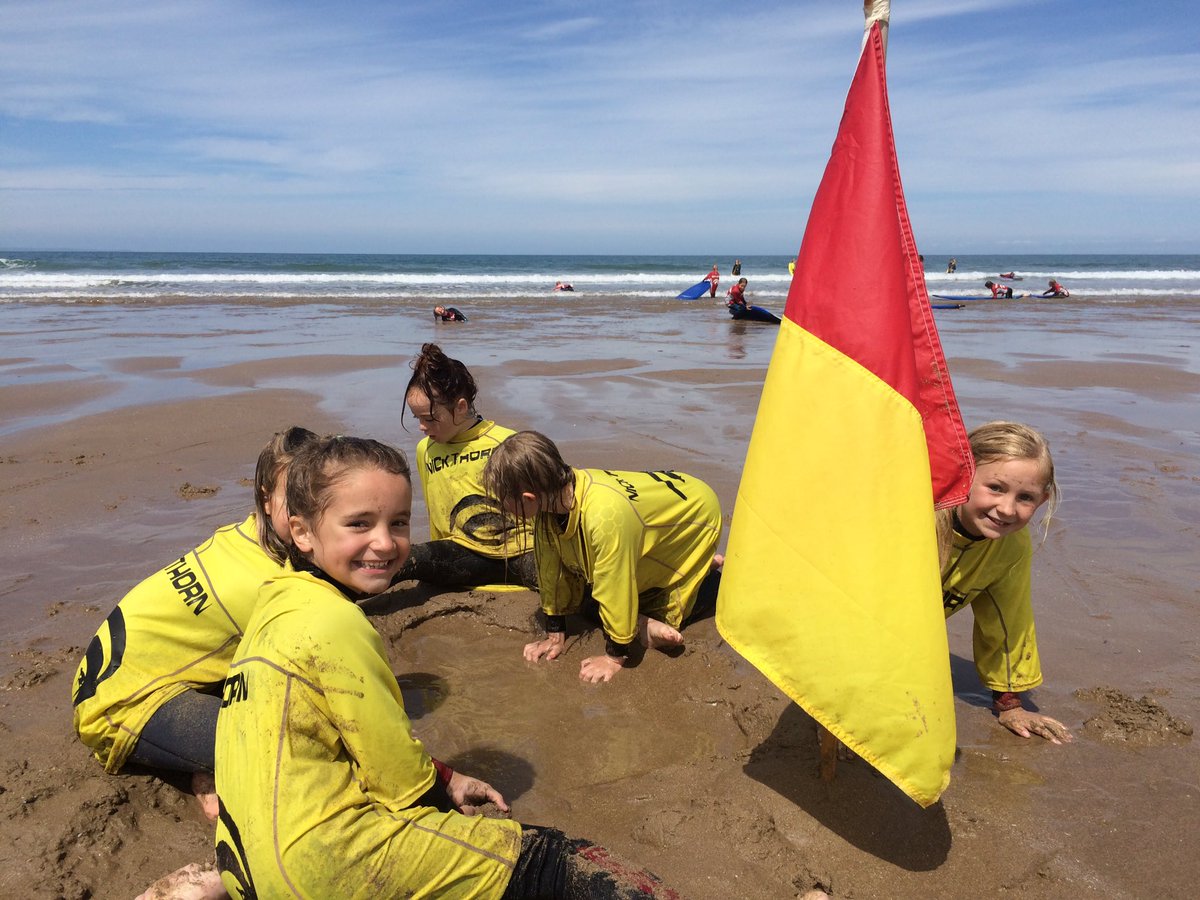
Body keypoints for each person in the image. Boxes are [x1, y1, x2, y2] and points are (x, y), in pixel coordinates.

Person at [213, 435, 679, 898]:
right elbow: (399, 779)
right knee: (556, 861)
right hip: (319, 872)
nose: (385, 542)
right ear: (301, 532)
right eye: (359, 523)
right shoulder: (335, 622)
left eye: (399, 522)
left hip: (245, 870)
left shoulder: (273, 603)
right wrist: (443, 804)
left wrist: (449, 777)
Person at [72, 426, 318, 802]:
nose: (309, 510)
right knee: (293, 746)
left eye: (319, 496)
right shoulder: (268, 584)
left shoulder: (242, 534)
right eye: (295, 499)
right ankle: (203, 766)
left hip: (117, 673)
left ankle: (203, 762)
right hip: (122, 707)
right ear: (266, 499)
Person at [482, 431, 724, 684]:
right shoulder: (553, 498)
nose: (502, 506)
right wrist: (555, 633)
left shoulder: (604, 517)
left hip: (697, 515)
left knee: (614, 593)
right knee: (589, 592)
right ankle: (700, 569)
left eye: (503, 500)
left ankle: (700, 571)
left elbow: (614, 583)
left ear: (528, 498)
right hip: (660, 509)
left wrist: (614, 656)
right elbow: (551, 568)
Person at [936, 421, 1073, 744]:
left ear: (1042, 501)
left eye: (1025, 497)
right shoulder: (918, 517)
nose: (1007, 509)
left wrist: (1009, 703)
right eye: (996, 488)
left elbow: (1009, 620)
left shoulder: (1011, 546)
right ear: (962, 475)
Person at [396, 343, 537, 590]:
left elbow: (539, 504)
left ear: (460, 408)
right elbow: (434, 512)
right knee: (401, 560)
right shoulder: (425, 450)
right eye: (417, 418)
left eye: (429, 418)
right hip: (463, 555)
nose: (422, 426)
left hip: (522, 552)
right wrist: (436, 569)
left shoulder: (507, 442)